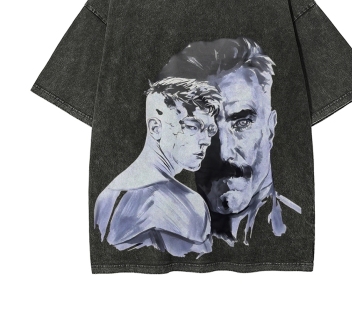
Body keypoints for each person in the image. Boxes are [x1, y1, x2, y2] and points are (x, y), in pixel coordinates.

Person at [158, 37, 302, 246]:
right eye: (201, 127)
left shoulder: (302, 230)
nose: (224, 152)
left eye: (242, 123)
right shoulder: (153, 237)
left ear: (270, 129)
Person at [94, 77, 221, 257]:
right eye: (193, 126)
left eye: (210, 130)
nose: (206, 141)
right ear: (155, 128)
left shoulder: (106, 196)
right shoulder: (190, 205)